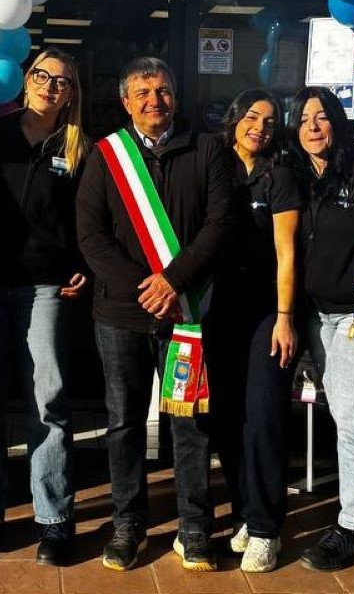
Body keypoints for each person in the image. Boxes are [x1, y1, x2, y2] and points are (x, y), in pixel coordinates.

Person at [76, 56, 235, 572]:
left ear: (175, 96)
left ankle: (194, 527)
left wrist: (173, 282)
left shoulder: (207, 149)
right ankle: (129, 525)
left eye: (162, 90)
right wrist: (143, 289)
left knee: (189, 423)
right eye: (142, 92)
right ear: (126, 102)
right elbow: (91, 236)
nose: (154, 100)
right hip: (121, 314)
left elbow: (219, 223)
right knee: (123, 424)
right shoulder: (105, 156)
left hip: (186, 311)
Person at [0, 49, 90, 565]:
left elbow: (92, 215)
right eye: (42, 75)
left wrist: (86, 262)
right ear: (27, 80)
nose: (50, 86)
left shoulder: (80, 148)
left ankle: (54, 520)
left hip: (47, 288)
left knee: (48, 401)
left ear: (71, 94)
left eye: (61, 81)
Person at [285, 86, 354, 572]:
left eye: (322, 116)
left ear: (337, 121)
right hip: (314, 317)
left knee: (351, 421)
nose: (313, 126)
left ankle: (352, 529)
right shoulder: (289, 175)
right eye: (304, 118)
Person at [205, 89, 301, 573]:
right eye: (252, 117)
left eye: (270, 121)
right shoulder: (213, 164)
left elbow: (287, 252)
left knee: (264, 417)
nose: (259, 127)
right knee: (225, 417)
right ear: (235, 117)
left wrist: (285, 318)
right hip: (214, 313)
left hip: (267, 314)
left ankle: (266, 529)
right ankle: (244, 512)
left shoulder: (278, 176)